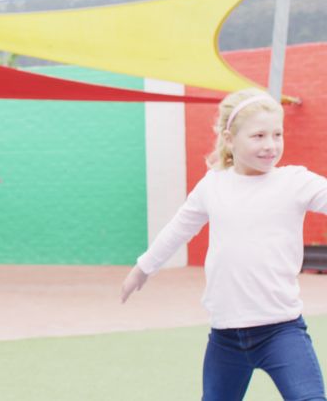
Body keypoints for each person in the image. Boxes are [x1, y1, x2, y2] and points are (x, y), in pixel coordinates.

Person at [121, 89, 327, 401]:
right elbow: (179, 228)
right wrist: (144, 267)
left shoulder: (294, 182)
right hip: (226, 337)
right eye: (258, 135)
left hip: (281, 331)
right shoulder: (213, 185)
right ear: (230, 138)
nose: (270, 145)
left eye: (277, 134)